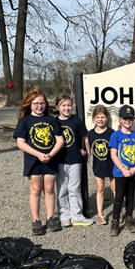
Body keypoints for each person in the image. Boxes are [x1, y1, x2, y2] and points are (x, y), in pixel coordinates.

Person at [13, 87, 64, 235]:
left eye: (42, 103)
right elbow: (20, 143)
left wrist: (51, 154)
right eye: (36, 103)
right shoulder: (25, 121)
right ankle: (36, 220)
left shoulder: (51, 120)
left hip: (51, 160)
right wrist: (38, 155)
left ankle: (50, 218)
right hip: (33, 161)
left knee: (49, 189)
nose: (39, 106)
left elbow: (59, 140)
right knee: (36, 190)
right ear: (30, 104)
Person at [55, 93, 93, 227]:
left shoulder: (76, 121)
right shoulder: (55, 122)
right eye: (63, 105)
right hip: (59, 160)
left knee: (75, 188)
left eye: (69, 105)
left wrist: (88, 152)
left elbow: (85, 137)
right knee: (62, 189)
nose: (67, 108)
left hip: (75, 160)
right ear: (58, 107)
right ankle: (64, 216)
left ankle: (77, 215)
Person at [109, 105, 135, 236]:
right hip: (120, 172)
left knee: (130, 196)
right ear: (120, 119)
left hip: (133, 172)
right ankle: (115, 222)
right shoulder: (115, 135)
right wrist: (123, 169)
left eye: (130, 118)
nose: (127, 120)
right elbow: (113, 155)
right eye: (125, 118)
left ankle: (129, 220)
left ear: (133, 120)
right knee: (119, 197)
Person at [88, 105, 116, 225]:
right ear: (94, 118)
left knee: (115, 188)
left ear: (107, 117)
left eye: (103, 117)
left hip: (112, 164)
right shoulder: (90, 134)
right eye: (98, 117)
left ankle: (117, 212)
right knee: (100, 188)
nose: (100, 119)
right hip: (98, 165)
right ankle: (100, 214)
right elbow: (87, 148)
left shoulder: (111, 133)